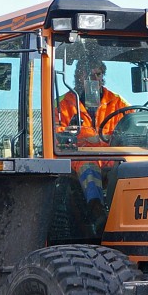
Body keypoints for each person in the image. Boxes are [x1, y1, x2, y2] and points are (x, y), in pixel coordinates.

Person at [55, 50, 128, 217]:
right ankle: (97, 213)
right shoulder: (63, 104)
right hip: (78, 160)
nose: (94, 79)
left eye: (98, 74)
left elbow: (133, 124)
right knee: (88, 167)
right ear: (79, 76)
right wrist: (76, 133)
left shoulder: (118, 102)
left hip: (113, 158)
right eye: (89, 74)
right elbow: (54, 133)